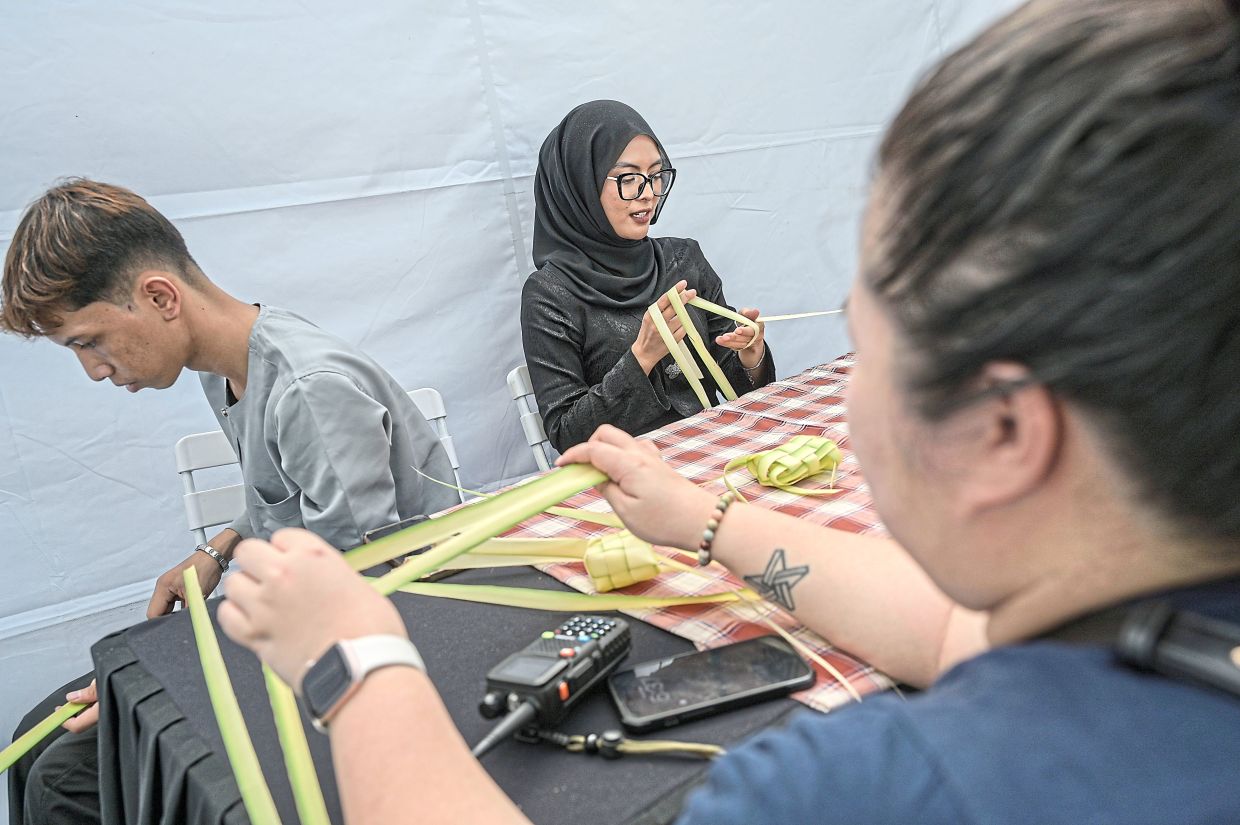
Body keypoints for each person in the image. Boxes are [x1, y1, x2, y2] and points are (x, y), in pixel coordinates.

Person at [220, 0, 1240, 821]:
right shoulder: (1144, 634)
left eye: (864, 336)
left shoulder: (862, 788)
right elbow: (945, 631)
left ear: (1006, 434)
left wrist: (356, 660)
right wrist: (705, 517)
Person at [0, 179, 461, 825]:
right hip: (305, 614)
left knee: (63, 779)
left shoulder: (308, 388)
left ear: (160, 296)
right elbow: (290, 492)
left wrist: (160, 683)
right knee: (37, 735)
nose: (95, 370)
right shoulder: (229, 365)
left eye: (88, 341)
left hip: (370, 637)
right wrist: (218, 548)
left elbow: (356, 595)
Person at [521, 100, 776, 453]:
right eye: (628, 178)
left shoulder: (683, 259)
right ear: (579, 185)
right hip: (628, 475)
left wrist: (751, 355)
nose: (648, 194)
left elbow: (742, 393)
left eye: (656, 176)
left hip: (714, 453)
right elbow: (568, 434)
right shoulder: (550, 293)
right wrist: (641, 357)